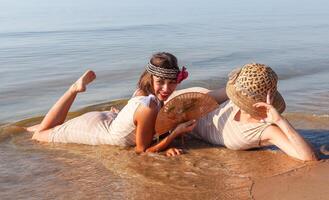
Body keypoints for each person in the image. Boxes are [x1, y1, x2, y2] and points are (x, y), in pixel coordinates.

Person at [28, 52, 196, 156]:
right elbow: (142, 152)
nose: (167, 88)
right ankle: (73, 89)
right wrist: (173, 135)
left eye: (172, 82)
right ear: (150, 78)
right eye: (161, 82)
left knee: (32, 128)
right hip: (97, 131)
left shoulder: (146, 93)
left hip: (110, 119)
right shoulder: (149, 106)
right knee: (39, 134)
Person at [175, 63, 317, 161]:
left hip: (187, 129)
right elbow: (202, 100)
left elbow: (309, 157)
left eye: (241, 98)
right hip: (187, 106)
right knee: (156, 102)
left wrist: (280, 121)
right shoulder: (237, 91)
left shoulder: (266, 129)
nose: (238, 99)